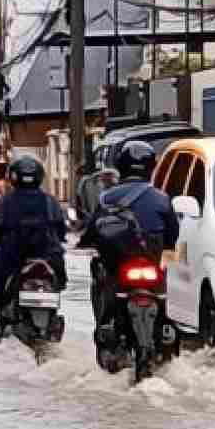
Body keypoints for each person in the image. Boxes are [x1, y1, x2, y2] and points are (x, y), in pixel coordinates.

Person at [79, 142, 178, 357]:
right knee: (165, 294)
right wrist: (167, 254)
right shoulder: (162, 198)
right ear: (151, 167)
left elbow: (92, 231)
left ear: (121, 166)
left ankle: (106, 326)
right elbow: (173, 236)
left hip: (119, 269)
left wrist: (85, 243)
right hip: (152, 266)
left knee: (102, 279)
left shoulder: (107, 197)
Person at [0, 149, 67, 323]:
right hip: (48, 254)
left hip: (14, 255)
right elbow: (61, 229)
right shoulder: (50, 201)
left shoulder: (5, 201)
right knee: (60, 278)